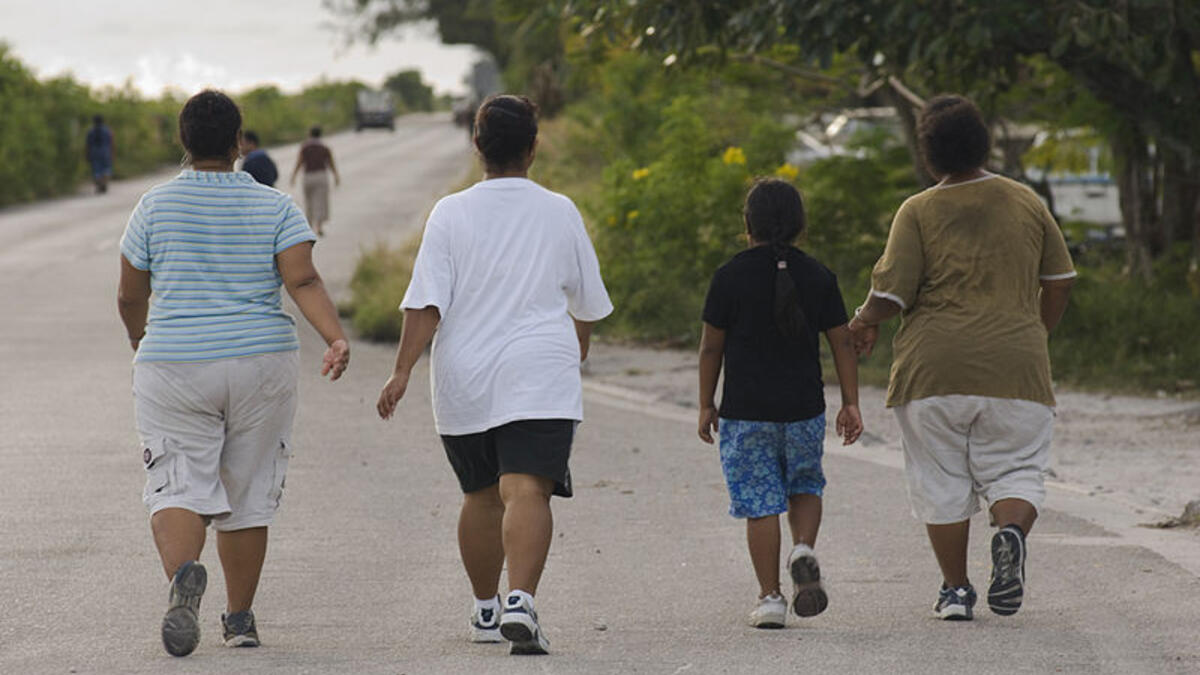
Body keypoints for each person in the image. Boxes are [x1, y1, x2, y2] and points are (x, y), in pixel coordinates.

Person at [376, 94, 612, 656]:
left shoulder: (450, 213)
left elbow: (426, 304)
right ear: (534, 147)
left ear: (476, 145)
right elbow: (585, 305)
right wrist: (575, 352)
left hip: (465, 377)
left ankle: (487, 609)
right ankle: (521, 601)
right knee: (528, 488)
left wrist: (402, 371)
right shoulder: (560, 210)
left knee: (482, 496)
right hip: (540, 372)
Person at [117, 90, 350, 657]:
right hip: (259, 364)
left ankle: (184, 576)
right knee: (246, 493)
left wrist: (140, 340)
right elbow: (303, 281)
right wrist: (334, 337)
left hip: (174, 362)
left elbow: (130, 293)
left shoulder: (153, 206)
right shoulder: (274, 206)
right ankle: (240, 619)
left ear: (183, 141)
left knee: (175, 481)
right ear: (239, 143)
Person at [847, 94, 1075, 621]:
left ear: (928, 155)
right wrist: (1033, 334)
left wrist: (862, 320)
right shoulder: (1027, 202)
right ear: (984, 143)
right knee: (1017, 470)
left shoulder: (918, 210)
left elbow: (892, 296)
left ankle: (955, 591)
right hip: (1018, 365)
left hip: (934, 369)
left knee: (940, 479)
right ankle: (1011, 533)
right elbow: (1059, 283)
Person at [698, 178, 863, 629]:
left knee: (760, 503)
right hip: (803, 409)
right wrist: (851, 403)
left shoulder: (729, 276)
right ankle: (804, 547)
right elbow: (843, 344)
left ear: (747, 224)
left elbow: (711, 348)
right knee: (805, 485)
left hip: (746, 412)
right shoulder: (818, 276)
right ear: (799, 225)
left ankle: (770, 597)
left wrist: (705, 403)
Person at [289, 125, 340, 236]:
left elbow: (299, 162)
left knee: (309, 201)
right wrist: (336, 176)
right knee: (321, 202)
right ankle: (319, 226)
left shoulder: (305, 147)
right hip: (321, 176)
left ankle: (309, 225)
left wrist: (294, 176)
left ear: (310, 134)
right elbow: (331, 163)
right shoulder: (325, 148)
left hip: (308, 176)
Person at [86, 114, 114, 193]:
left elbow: (88, 144)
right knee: (106, 169)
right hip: (105, 152)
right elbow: (111, 143)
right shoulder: (107, 130)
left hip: (94, 152)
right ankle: (104, 184)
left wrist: (87, 154)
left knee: (96, 170)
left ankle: (99, 185)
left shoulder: (90, 131)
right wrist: (112, 153)